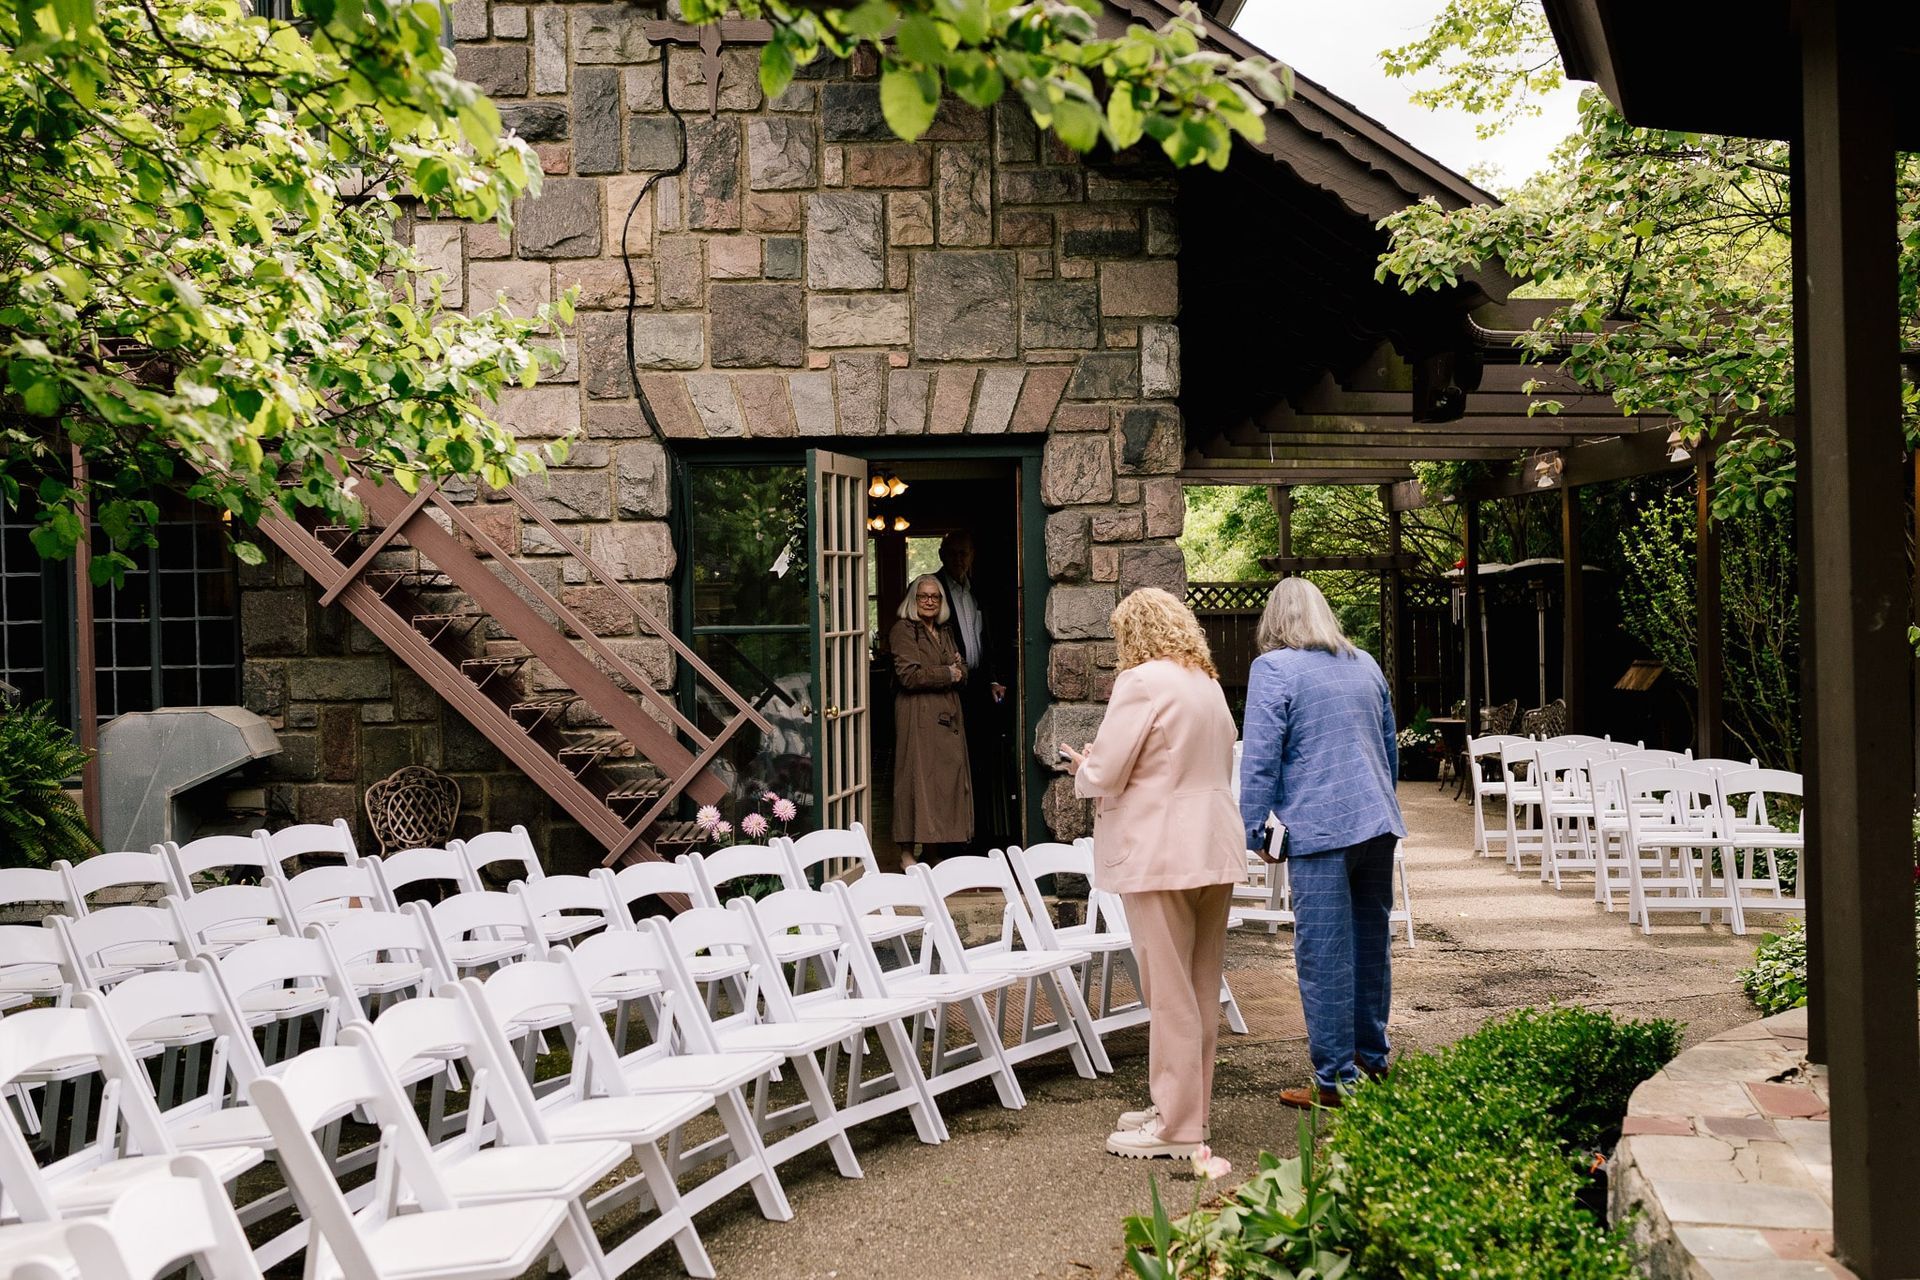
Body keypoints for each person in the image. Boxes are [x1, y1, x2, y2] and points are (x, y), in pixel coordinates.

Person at [1060, 587, 1245, 1160]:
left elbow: (1111, 770)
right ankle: (1187, 1106)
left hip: (1161, 850)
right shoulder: (1206, 683)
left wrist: (1083, 765)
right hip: (1213, 845)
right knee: (1198, 985)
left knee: (1168, 992)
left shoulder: (1141, 682)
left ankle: (1177, 1126)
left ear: (1132, 634)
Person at [1238, 577, 1405, 1110]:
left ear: (1274, 621)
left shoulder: (1274, 669)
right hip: (1377, 821)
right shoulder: (1366, 664)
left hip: (1321, 830)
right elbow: (1388, 749)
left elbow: (1260, 758)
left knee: (1325, 952)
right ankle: (1371, 1060)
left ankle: (1333, 1080)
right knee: (1369, 943)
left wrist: (1252, 831)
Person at [889, 574, 973, 862]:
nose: (929, 601)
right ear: (913, 600)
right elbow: (909, 675)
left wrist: (953, 672)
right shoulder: (903, 630)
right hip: (917, 715)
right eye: (923, 596)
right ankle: (906, 852)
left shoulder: (944, 630)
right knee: (914, 780)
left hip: (947, 716)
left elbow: (964, 670)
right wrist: (948, 673)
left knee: (940, 784)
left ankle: (933, 848)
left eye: (935, 597)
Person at [935, 530, 1010, 851]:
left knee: (980, 761)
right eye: (952, 553)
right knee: (950, 765)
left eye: (964, 553)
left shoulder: (977, 590)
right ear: (942, 555)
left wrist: (993, 677)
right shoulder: (932, 590)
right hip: (949, 688)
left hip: (979, 687)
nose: (959, 559)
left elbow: (986, 638)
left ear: (973, 556)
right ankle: (951, 839)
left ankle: (978, 835)